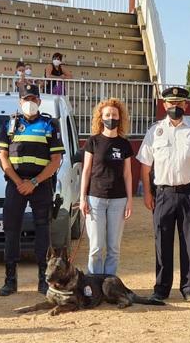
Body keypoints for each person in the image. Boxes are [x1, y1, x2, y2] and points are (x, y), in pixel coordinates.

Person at [137, 87, 190, 302]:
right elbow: (145, 166)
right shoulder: (154, 131)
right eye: (171, 103)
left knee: (189, 242)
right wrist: (147, 194)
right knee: (161, 241)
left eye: (179, 103)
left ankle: (189, 288)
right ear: (164, 105)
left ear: (186, 106)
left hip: (189, 192)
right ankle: (161, 288)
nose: (175, 107)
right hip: (163, 194)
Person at [0, 84, 65, 296]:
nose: (30, 103)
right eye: (26, 99)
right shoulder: (10, 124)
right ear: (20, 101)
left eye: (34, 98)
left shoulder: (49, 124)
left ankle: (44, 280)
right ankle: (10, 280)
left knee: (43, 231)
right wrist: (18, 182)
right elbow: (2, 156)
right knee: (11, 230)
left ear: (40, 102)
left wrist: (33, 182)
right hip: (15, 185)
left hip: (40, 185)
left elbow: (55, 161)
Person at [79, 98, 134, 275]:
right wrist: (82, 198)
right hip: (95, 199)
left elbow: (127, 174)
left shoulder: (124, 144)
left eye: (115, 114)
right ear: (100, 118)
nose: (111, 118)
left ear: (120, 117)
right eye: (107, 115)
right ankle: (94, 285)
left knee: (113, 248)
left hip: (118, 201)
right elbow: (86, 171)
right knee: (95, 248)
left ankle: (109, 284)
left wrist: (130, 201)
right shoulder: (93, 142)